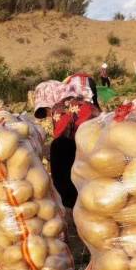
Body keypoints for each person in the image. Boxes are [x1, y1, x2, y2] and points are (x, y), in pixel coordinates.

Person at [34, 80, 100, 209]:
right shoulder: (84, 102)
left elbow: (62, 137)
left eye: (46, 110)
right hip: (98, 150)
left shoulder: (59, 109)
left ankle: (70, 202)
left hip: (85, 156)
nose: (48, 115)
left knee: (58, 147)